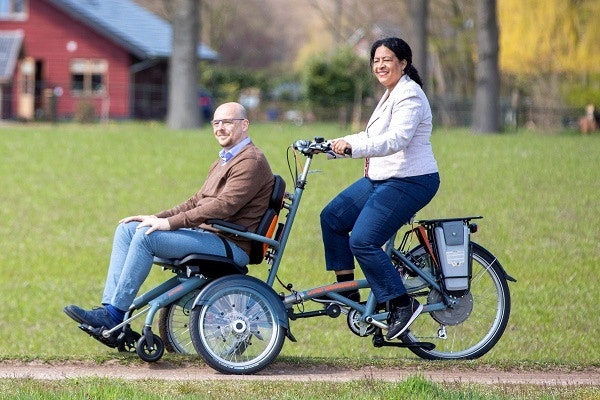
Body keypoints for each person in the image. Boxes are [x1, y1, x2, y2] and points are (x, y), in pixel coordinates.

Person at [64, 102, 274, 331]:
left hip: (231, 243)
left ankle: (115, 315)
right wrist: (154, 217)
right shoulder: (223, 160)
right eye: (216, 122)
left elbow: (224, 207)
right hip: (208, 234)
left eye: (227, 122)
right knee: (128, 229)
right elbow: (196, 201)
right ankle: (110, 309)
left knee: (147, 237)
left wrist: (169, 224)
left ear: (244, 125)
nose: (220, 128)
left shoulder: (251, 161)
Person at [319, 37, 440, 340]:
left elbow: (396, 140)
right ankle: (348, 294)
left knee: (363, 240)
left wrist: (352, 150)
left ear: (403, 63)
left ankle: (401, 303)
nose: (380, 65)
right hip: (381, 178)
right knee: (332, 217)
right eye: (375, 60)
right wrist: (330, 147)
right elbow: (370, 135)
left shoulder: (410, 95)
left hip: (410, 181)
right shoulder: (390, 95)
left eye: (387, 59)